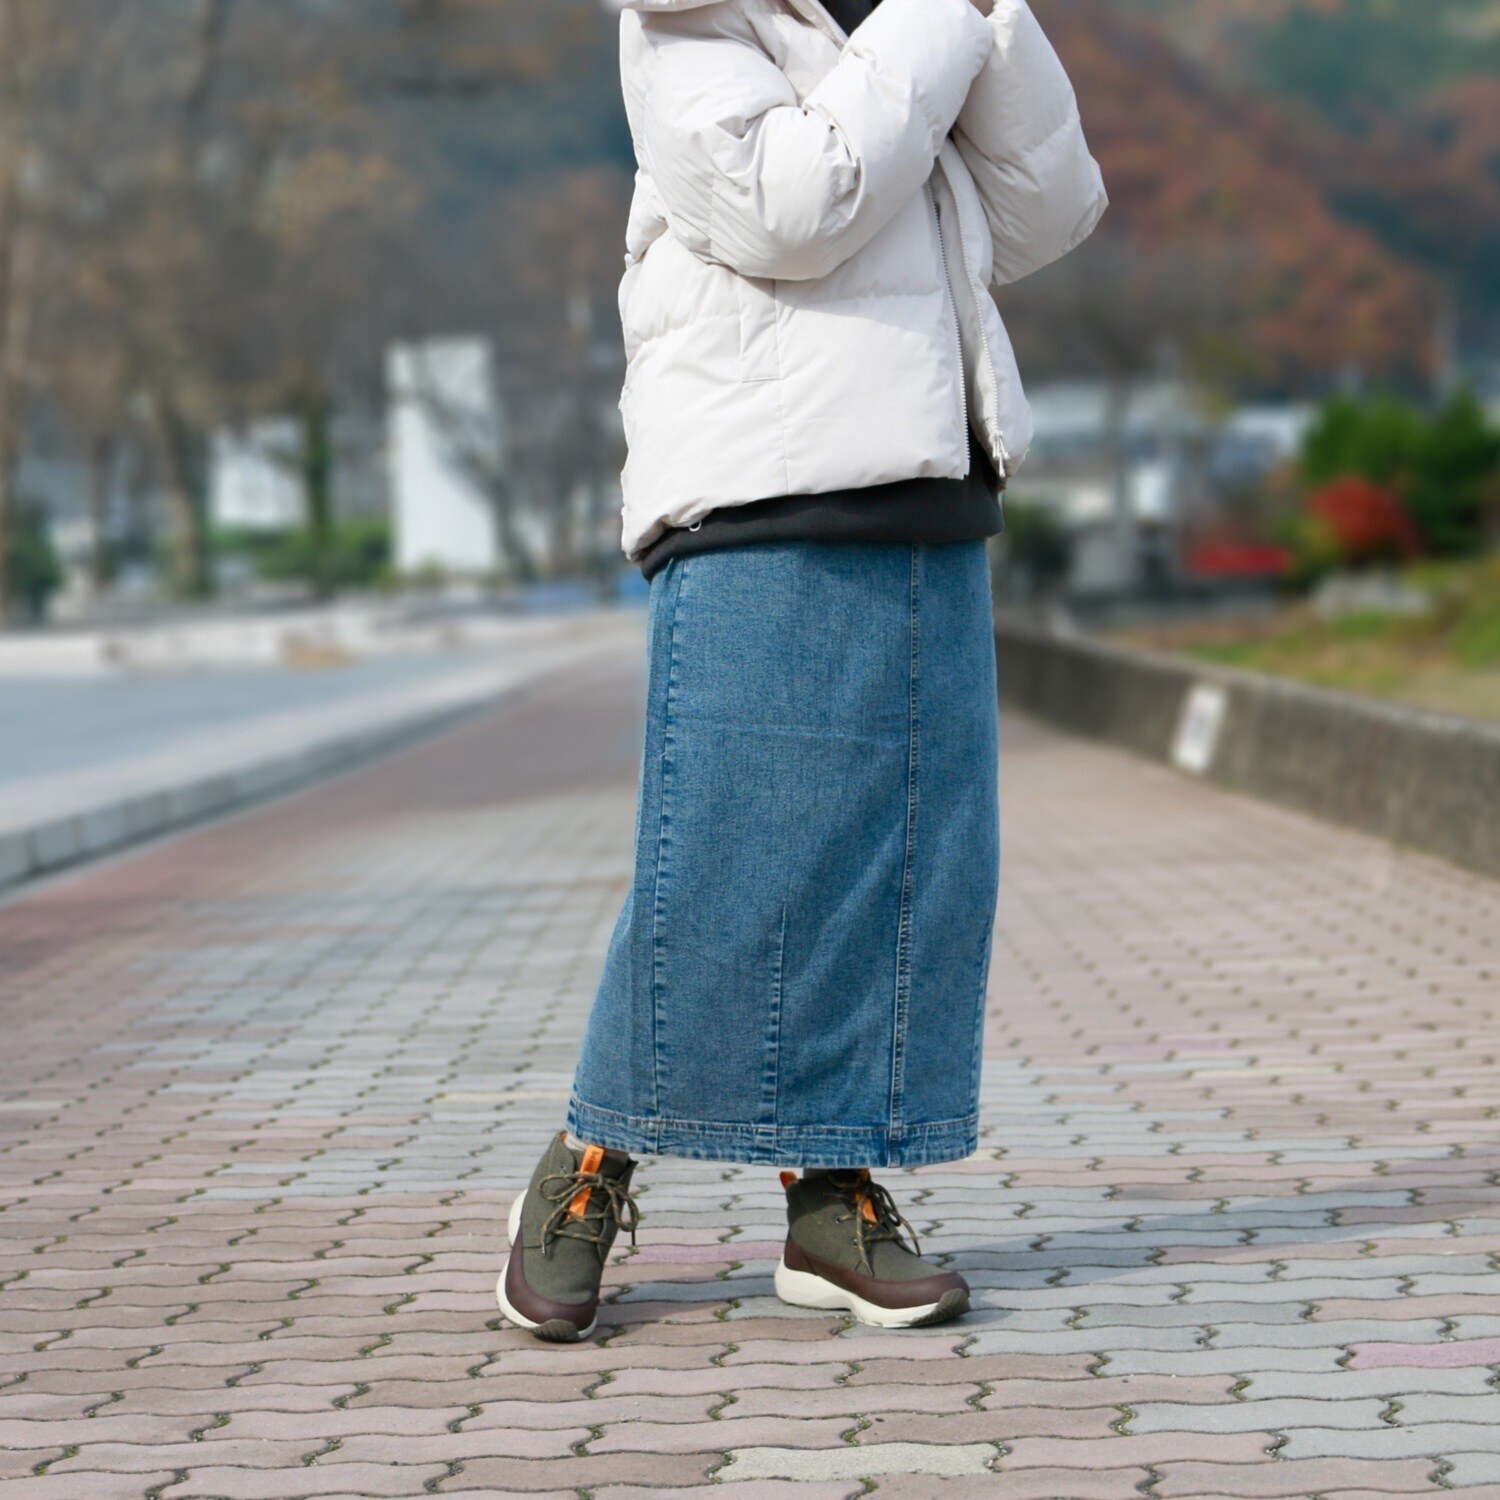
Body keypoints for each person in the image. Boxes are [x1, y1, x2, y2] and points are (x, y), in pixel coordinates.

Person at [498, 0, 1106, 1342]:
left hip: (929, 476)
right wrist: (942, 26)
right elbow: (790, 207)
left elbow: (1053, 208)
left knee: (900, 870)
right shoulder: (686, 26)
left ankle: (832, 1204)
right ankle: (592, 1157)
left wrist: (982, 23)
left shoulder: (916, 20)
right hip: (761, 484)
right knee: (725, 856)